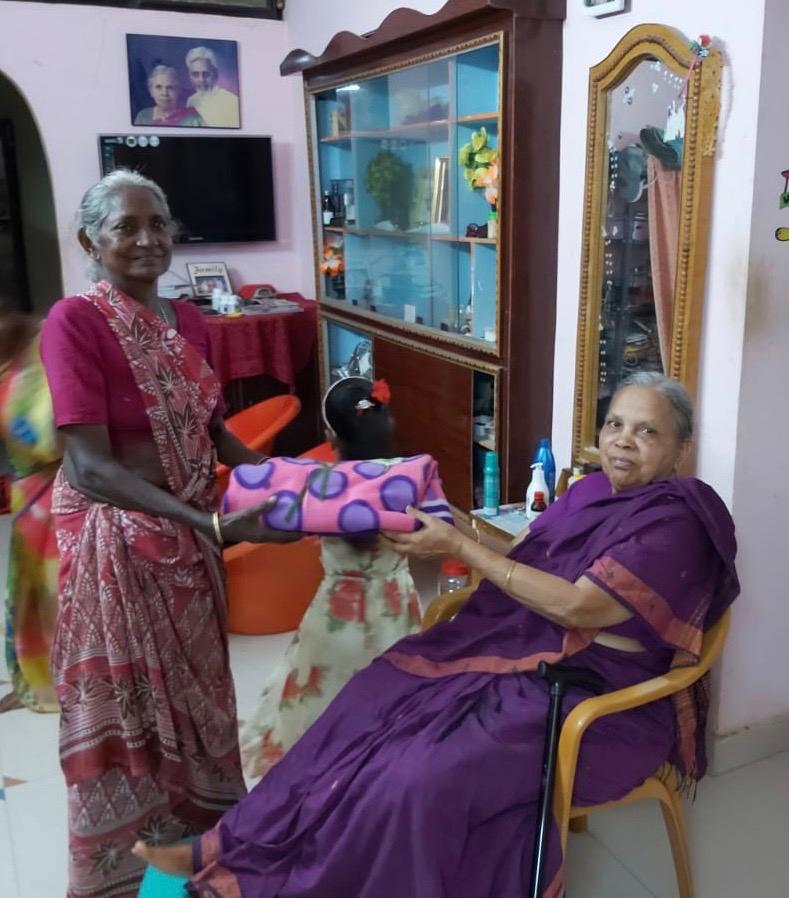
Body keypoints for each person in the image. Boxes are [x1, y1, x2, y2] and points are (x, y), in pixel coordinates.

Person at [135, 373, 740, 898]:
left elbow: (582, 606)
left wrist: (456, 547)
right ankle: (228, 842)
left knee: (415, 773)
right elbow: (527, 556)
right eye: (615, 424)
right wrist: (453, 530)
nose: (623, 442)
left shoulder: (678, 519)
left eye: (646, 432)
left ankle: (319, 880)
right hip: (528, 652)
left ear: (681, 448)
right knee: (370, 700)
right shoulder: (588, 492)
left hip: (595, 698)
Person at [40, 168, 296, 898]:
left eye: (158, 223)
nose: (148, 239)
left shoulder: (187, 320)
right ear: (92, 240)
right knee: (131, 716)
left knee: (201, 696)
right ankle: (121, 870)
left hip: (186, 542)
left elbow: (215, 432)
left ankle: (200, 845)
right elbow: (88, 468)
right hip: (114, 543)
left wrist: (291, 483)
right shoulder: (76, 321)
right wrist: (212, 522)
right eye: (126, 227)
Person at [238, 377, 435, 778]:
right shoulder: (411, 478)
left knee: (319, 703)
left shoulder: (320, 486)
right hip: (395, 611)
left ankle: (320, 775)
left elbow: (283, 525)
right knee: (389, 695)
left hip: (338, 620)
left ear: (331, 436)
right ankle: (378, 770)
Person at [0, 302, 60, 713]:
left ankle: (68, 688)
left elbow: (48, 437)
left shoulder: (47, 344)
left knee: (62, 591)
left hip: (67, 488)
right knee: (29, 592)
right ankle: (35, 683)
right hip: (28, 493)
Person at [185, 46, 240, 128]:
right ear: (189, 76)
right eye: (195, 74)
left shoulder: (232, 101)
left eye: (206, 74)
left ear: (215, 74)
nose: (201, 79)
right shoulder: (191, 102)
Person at [134, 64, 204, 127]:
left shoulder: (193, 118)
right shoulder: (143, 116)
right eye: (158, 87)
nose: (164, 93)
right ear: (151, 91)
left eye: (170, 87)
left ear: (178, 91)